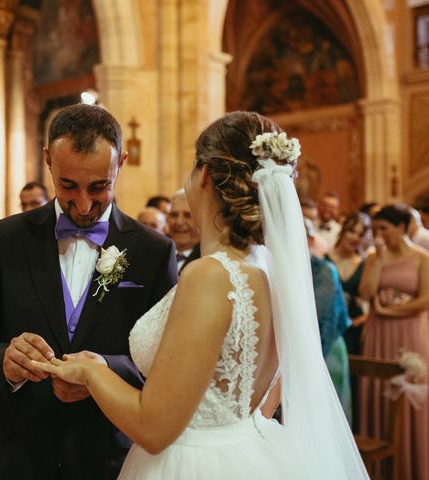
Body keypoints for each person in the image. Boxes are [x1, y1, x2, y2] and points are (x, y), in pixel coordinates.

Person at [33, 111, 367, 479]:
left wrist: (90, 372)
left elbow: (153, 428)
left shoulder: (211, 275)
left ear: (205, 175)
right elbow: (268, 396)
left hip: (194, 463)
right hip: (248, 449)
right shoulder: (267, 269)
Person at [0, 104, 178, 479]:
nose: (83, 204)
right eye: (68, 185)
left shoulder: (154, 251)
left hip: (105, 458)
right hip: (14, 455)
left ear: (122, 163)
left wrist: (102, 371)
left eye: (99, 186)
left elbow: (169, 365)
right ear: (48, 161)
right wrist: (4, 360)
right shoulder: (4, 239)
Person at [358, 204, 429, 480]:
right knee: (377, 392)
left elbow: (425, 299)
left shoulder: (423, 259)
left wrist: (390, 311)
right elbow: (365, 292)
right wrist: (378, 260)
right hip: (379, 336)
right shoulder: (376, 256)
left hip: (411, 333)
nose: (379, 235)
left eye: (384, 229)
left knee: (412, 397)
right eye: (376, 230)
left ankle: (414, 468)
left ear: (401, 227)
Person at [326, 212, 372, 429]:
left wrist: (357, 322)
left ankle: (348, 430)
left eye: (361, 235)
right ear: (344, 231)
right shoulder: (325, 258)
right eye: (352, 231)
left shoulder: (364, 264)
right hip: (328, 330)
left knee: (351, 383)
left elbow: (371, 303)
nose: (355, 237)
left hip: (354, 330)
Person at [305, 218, 352, 422]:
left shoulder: (325, 271)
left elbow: (323, 319)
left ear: (310, 240)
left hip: (327, 348)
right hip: (296, 352)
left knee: (327, 418)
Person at [168, 189, 200, 273]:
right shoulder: (157, 251)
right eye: (174, 215)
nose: (179, 222)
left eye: (187, 215)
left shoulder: (208, 257)